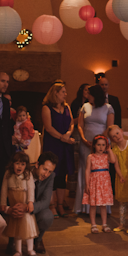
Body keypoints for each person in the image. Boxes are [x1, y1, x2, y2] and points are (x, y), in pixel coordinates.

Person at [76, 85, 114, 215]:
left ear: (96, 95)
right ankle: (84, 207)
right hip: (86, 143)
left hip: (101, 144)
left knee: (100, 174)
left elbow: (110, 127)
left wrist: (99, 140)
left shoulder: (108, 108)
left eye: (90, 94)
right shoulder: (85, 107)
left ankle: (101, 207)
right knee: (85, 171)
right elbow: (80, 125)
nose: (87, 96)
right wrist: (83, 138)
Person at [41, 82, 76, 217]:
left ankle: (61, 205)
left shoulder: (66, 107)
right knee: (52, 175)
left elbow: (71, 123)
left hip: (65, 145)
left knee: (62, 175)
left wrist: (68, 133)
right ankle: (52, 205)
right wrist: (62, 137)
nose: (65, 94)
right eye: (63, 92)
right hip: (53, 144)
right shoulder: (47, 108)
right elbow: (48, 127)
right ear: (55, 93)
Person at [0, 152, 40, 256]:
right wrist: (3, 203)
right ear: (12, 164)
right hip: (14, 204)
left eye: (22, 164)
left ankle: (30, 249)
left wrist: (30, 202)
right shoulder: (8, 174)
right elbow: (4, 189)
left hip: (25, 204)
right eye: (17, 163)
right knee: (16, 229)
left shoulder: (28, 174)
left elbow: (31, 189)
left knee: (28, 228)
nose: (19, 166)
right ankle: (18, 251)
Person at [82, 135, 118, 233]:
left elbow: (113, 160)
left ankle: (104, 224)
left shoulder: (107, 156)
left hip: (104, 182)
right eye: (99, 145)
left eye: (103, 145)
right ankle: (93, 224)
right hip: (94, 181)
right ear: (94, 145)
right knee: (93, 204)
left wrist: (109, 150)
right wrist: (87, 184)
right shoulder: (90, 157)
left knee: (103, 204)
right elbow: (87, 170)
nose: (101, 147)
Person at [108, 124, 128, 234]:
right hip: (121, 179)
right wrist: (120, 176)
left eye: (117, 133)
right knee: (122, 203)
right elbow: (116, 165)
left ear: (121, 131)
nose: (116, 136)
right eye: (113, 136)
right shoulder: (115, 149)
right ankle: (121, 224)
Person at [32, 152, 58, 254]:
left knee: (47, 216)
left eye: (50, 171)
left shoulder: (50, 177)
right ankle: (13, 240)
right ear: (37, 164)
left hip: (34, 208)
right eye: (45, 169)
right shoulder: (25, 171)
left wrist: (29, 208)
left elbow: (46, 201)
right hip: (21, 205)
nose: (46, 174)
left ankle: (38, 239)